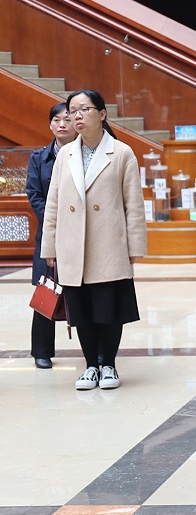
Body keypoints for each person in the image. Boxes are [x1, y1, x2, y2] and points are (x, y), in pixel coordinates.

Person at [40, 89, 147, 391]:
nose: (76, 116)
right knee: (82, 310)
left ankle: (108, 365)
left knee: (108, 309)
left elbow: (134, 204)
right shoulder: (65, 155)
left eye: (84, 109)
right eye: (72, 110)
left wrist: (134, 247)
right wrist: (50, 247)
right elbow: (53, 203)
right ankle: (90, 367)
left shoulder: (122, 152)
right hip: (73, 245)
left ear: (101, 114)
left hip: (109, 245)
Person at [26, 102, 75, 369]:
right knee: (46, 291)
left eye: (67, 119)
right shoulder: (38, 157)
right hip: (50, 234)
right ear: (50, 125)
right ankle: (41, 351)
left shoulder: (84, 154)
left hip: (80, 232)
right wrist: (56, 221)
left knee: (85, 292)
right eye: (56, 120)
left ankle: (95, 352)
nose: (62, 124)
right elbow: (34, 194)